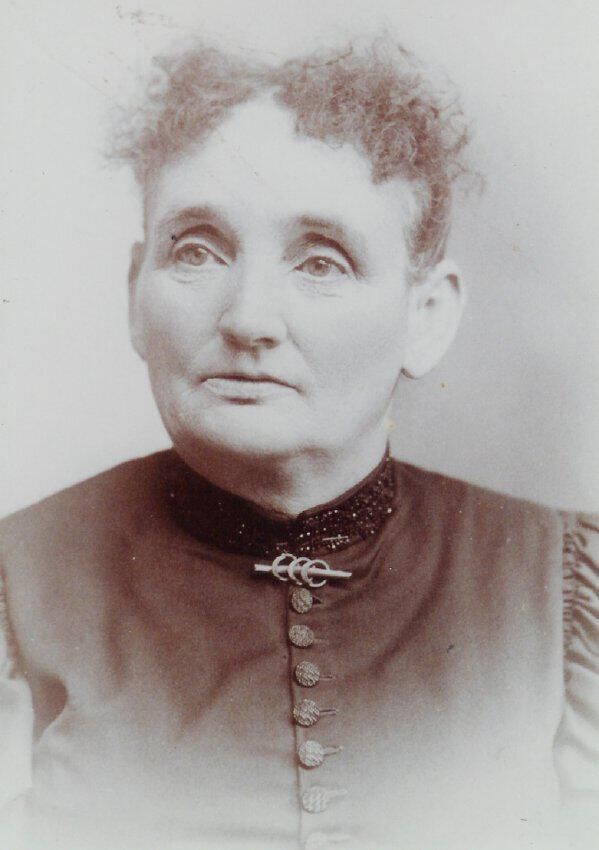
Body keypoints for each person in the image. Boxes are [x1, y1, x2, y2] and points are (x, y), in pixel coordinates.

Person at [0, 37, 597, 850]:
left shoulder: (561, 595)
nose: (248, 318)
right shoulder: (19, 590)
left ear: (426, 316)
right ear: (135, 295)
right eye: (196, 251)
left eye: (321, 263)